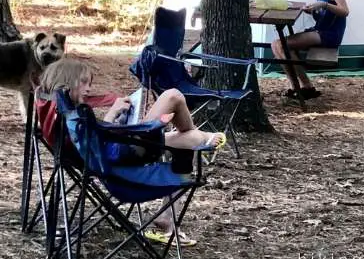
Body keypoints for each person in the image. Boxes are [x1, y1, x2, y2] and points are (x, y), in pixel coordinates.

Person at [39, 58, 225, 246]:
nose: (88, 89)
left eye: (89, 83)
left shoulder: (62, 113)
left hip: (113, 154)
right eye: (84, 82)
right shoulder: (72, 116)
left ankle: (168, 218)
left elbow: (91, 144)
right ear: (67, 81)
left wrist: (115, 120)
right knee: (173, 96)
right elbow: (94, 146)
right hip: (120, 157)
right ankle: (199, 138)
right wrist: (114, 115)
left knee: (190, 141)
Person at [271, 0, 349, 99]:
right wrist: (311, 10)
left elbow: (345, 11)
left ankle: (306, 86)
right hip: (320, 30)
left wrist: (324, 4)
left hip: (330, 34)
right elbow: (323, 16)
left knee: (281, 45)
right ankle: (296, 86)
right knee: (276, 45)